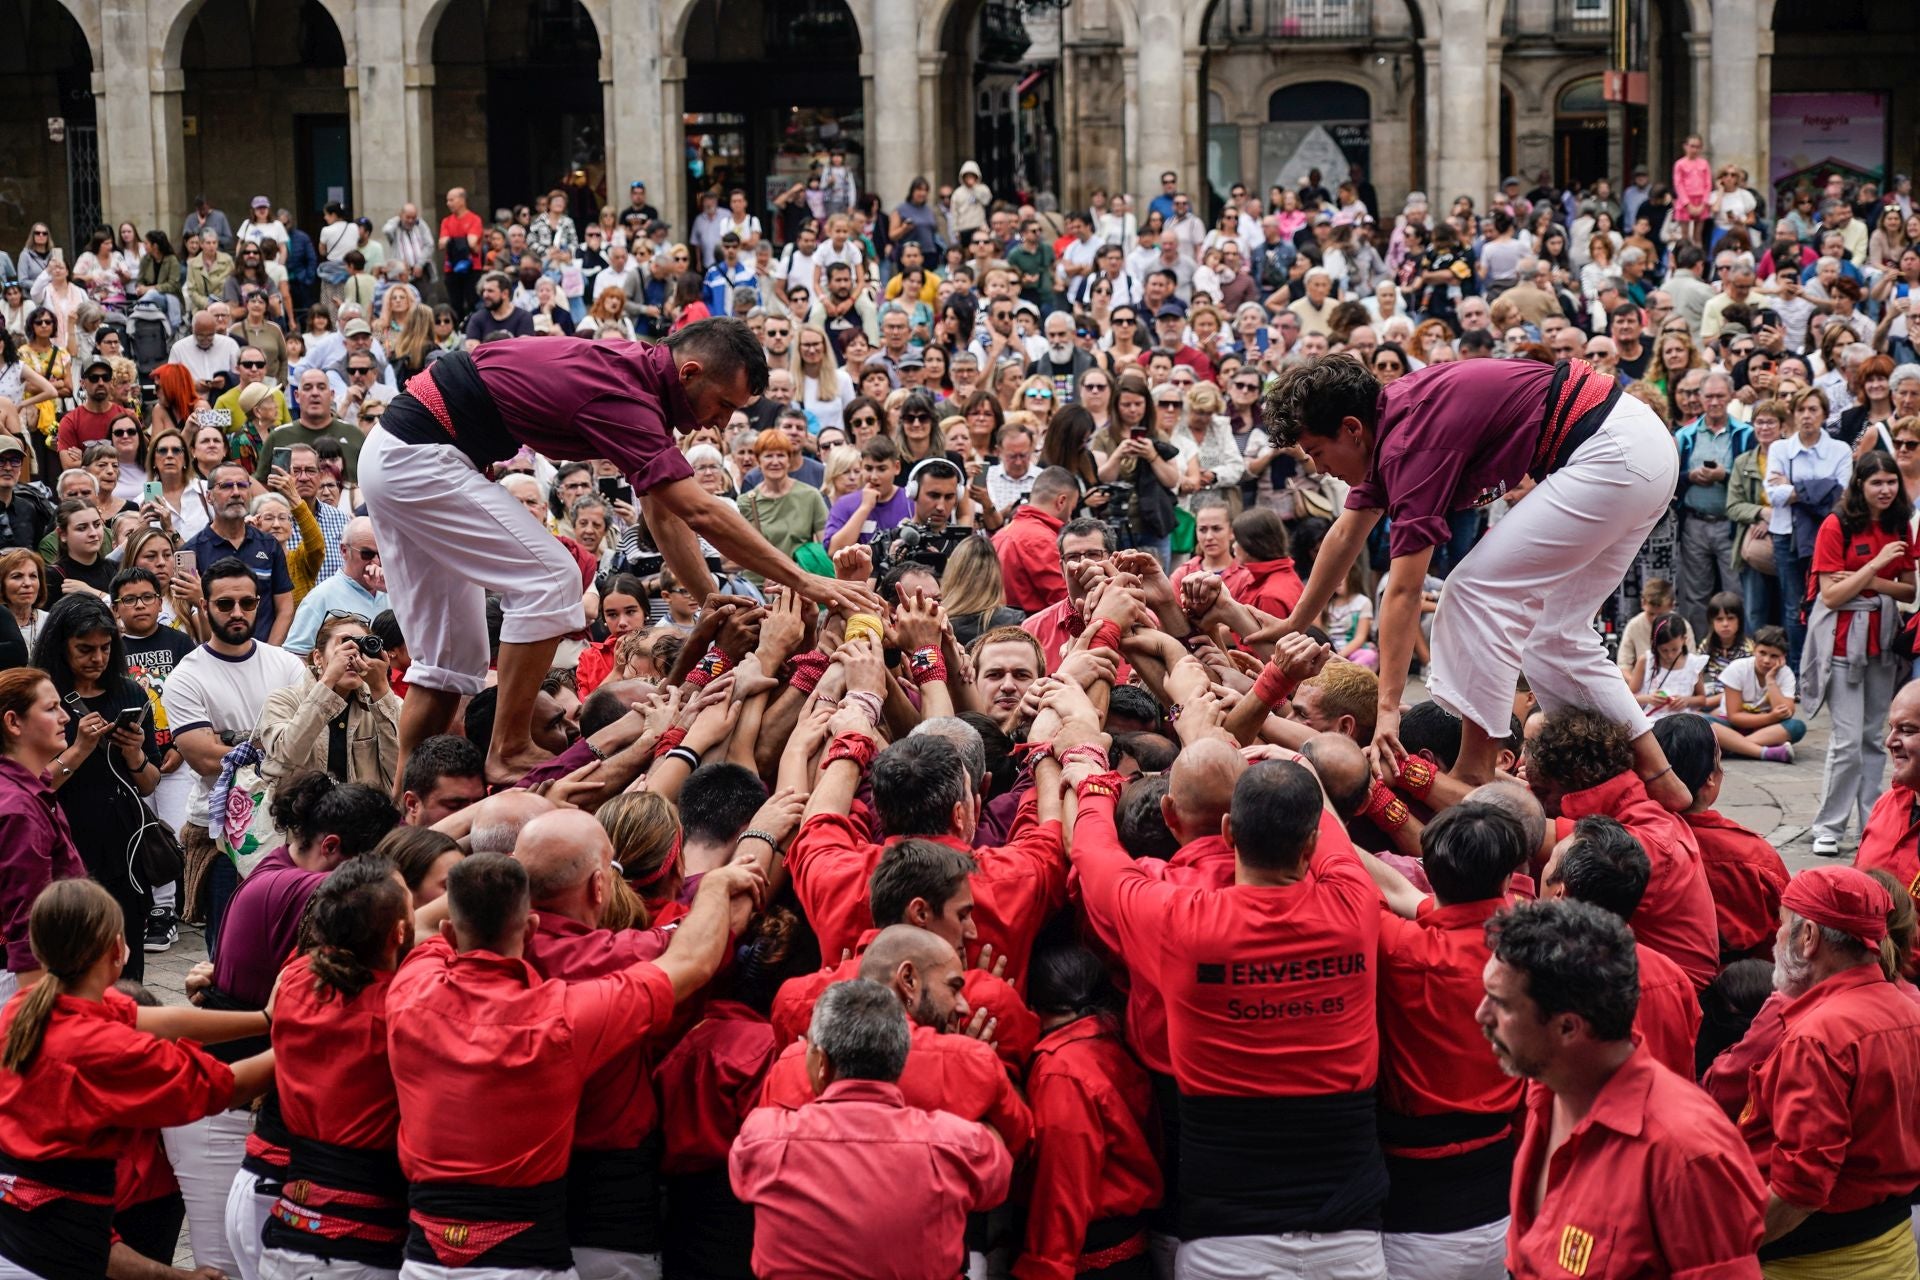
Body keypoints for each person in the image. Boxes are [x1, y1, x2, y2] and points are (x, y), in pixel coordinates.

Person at [361, 318, 876, 791]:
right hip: (420, 456)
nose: (720, 424)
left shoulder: (636, 378)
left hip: (400, 454)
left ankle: (403, 799)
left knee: (448, 664)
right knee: (554, 578)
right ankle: (509, 746)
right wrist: (808, 581)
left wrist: (710, 599)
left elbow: (662, 512)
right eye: (722, 405)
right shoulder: (624, 396)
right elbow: (699, 511)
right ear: (689, 373)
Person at [1269, 353, 1690, 806]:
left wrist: (1388, 708)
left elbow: (1405, 589)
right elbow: (1346, 531)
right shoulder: (1389, 427)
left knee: (1471, 591)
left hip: (1612, 452)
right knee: (1553, 636)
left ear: (1352, 429)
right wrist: (1296, 621)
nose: (1317, 467)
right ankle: (1658, 773)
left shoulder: (1409, 444)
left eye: (1315, 452)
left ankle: (1476, 765)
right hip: (1636, 450)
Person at [384, 852, 761, 1278]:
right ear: (530, 930)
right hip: (530, 1264)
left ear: (451, 931)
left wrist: (511, 861)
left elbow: (417, 924)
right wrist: (713, 885)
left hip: (424, 1263)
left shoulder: (410, 989)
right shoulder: (565, 1018)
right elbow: (692, 962)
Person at [0, 878, 274, 1280]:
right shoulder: (105, 1049)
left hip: (18, 1234)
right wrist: (300, 1037)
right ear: (116, 949)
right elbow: (223, 1087)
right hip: (56, 1256)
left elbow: (158, 1020)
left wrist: (263, 1020)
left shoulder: (27, 1007)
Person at [1480, 898, 1766, 1277]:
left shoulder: (1685, 1153)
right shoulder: (1547, 1091)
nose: (1481, 1014)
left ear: (1568, 1027)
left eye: (1500, 1004)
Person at [730, 978, 1014, 1280]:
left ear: (822, 1062)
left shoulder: (762, 1140)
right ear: (899, 1058)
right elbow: (999, 1174)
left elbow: (742, 1175)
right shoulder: (961, 1146)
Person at [1741, 866, 1920, 1275]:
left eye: (1783, 925)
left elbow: (1800, 1189)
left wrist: (1723, 1249)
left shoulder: (1820, 1037)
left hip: (1816, 1262)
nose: (1775, 937)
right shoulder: (1908, 1011)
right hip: (1890, 1250)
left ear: (1809, 939)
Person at [253, 856, 410, 1280]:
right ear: (399, 933)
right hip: (353, 1251)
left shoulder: (297, 980)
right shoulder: (399, 1009)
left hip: (286, 1230)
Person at [159, 556, 307, 946]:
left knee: (287, 942)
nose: (238, 612)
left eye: (248, 602)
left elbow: (311, 742)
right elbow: (204, 757)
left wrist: (234, 739)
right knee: (229, 947)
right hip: (223, 830)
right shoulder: (186, 677)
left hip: (291, 823)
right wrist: (275, 741)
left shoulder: (287, 664)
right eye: (225, 604)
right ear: (205, 607)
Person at [30, 595, 164, 984]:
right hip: (64, 837)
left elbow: (151, 781)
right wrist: (80, 748)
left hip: (124, 839)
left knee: (126, 954)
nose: (97, 658)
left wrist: (136, 752)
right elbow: (32, 786)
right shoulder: (43, 699)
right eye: (85, 649)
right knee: (71, 950)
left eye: (106, 648)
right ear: (61, 646)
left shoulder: (130, 694)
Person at [1802, 452, 1915, 857]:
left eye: (1891, 482)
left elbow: (1908, 590)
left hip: (1882, 638)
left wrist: (1868, 578)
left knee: (1876, 737)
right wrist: (1878, 569)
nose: (1885, 490)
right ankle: (1828, 826)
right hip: (1842, 639)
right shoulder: (1836, 525)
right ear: (1860, 485)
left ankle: (1872, 821)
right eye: (1876, 482)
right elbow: (1831, 595)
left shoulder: (1898, 523)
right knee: (1847, 739)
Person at [1652, 712, 1791, 962]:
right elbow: (1787, 930)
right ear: (1710, 777)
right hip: (1745, 988)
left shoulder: (1633, 840)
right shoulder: (1754, 855)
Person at [0, 668, 86, 1002]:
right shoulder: (18, 808)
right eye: (50, 709)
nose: (65, 716)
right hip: (24, 979)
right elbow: (28, 919)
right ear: (13, 722)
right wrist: (38, 1011)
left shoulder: (26, 789)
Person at [255, 612, 400, 793]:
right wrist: (329, 680)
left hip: (362, 816)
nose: (353, 658)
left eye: (361, 650)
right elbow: (287, 754)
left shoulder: (384, 702)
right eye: (345, 648)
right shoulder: (283, 700)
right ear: (318, 657)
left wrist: (380, 688)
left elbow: (400, 774)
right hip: (300, 814)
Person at [182, 464, 295, 645]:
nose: (236, 492)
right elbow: (187, 617)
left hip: (265, 657)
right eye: (226, 486)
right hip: (216, 660)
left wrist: (269, 653)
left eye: (242, 485)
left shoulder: (269, 544)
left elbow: (285, 607)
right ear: (209, 496)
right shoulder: (192, 551)